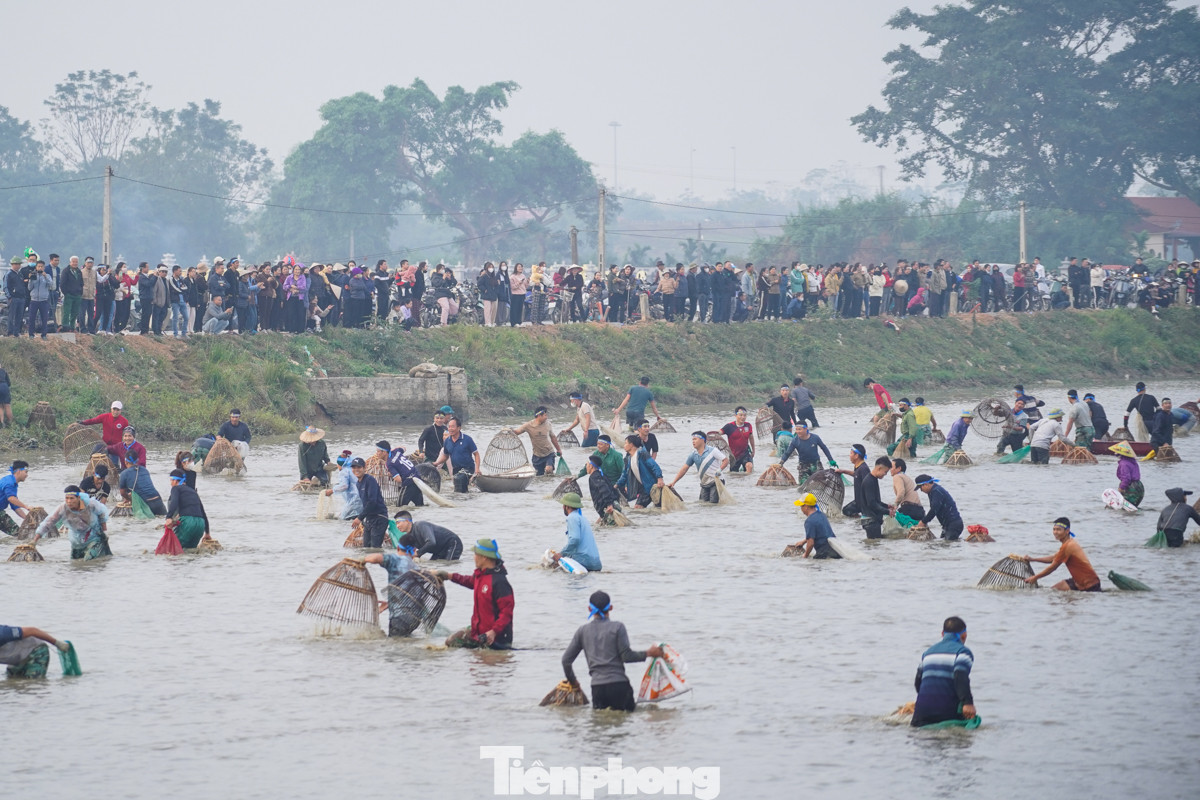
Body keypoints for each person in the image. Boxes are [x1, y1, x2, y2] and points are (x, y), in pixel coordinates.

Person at [561, 591, 664, 712]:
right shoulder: (618, 627)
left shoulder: (582, 631)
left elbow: (566, 661)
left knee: (601, 726)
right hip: (619, 686)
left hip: (597, 689)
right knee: (624, 723)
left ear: (589, 609)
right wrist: (649, 653)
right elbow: (627, 656)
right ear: (610, 607)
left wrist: (573, 681)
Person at [437, 538, 514, 649]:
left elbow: (506, 613)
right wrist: (449, 576)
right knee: (451, 642)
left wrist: (493, 632)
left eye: (475, 554)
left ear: (484, 557)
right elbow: (470, 581)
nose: (474, 557)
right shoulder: (481, 575)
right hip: (477, 633)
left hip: (495, 638)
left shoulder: (500, 582)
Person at [911, 616, 976, 728]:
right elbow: (960, 676)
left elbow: (918, 681)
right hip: (946, 712)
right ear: (964, 635)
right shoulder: (962, 652)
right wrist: (967, 703)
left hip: (921, 713)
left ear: (942, 634)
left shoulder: (928, 652)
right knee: (962, 741)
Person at [1024, 517, 1100, 591]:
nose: (1055, 532)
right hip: (1077, 581)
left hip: (1090, 585)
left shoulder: (1068, 546)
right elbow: (1054, 558)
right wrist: (1032, 559)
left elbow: (1052, 567)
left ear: (1067, 531)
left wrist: (1035, 577)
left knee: (1052, 594)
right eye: (1054, 529)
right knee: (1053, 591)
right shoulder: (1069, 542)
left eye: (1058, 530)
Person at [40, 485, 112, 560]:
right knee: (75, 562)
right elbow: (49, 521)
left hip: (94, 537)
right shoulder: (63, 507)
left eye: (71, 498)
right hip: (77, 542)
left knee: (88, 560)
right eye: (67, 498)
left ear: (78, 498)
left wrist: (105, 531)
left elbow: (102, 514)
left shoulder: (91, 504)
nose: (69, 501)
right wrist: (34, 540)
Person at [362, 543, 419, 636]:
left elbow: (376, 558)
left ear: (397, 548)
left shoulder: (395, 559)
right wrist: (389, 603)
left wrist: (363, 560)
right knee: (406, 642)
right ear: (414, 551)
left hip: (399, 617)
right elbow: (410, 593)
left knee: (395, 645)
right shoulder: (416, 568)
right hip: (415, 618)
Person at [668, 431, 728, 504]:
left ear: (702, 440)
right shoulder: (693, 455)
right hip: (705, 482)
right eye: (692, 440)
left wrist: (719, 470)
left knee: (713, 503)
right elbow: (684, 469)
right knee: (702, 503)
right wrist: (674, 482)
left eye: (695, 439)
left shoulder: (713, 451)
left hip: (717, 481)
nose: (693, 441)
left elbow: (725, 460)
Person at [548, 492, 602, 571]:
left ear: (567, 507)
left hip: (584, 561)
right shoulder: (583, 518)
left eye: (563, 505)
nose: (563, 507)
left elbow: (575, 539)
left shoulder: (572, 517)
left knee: (552, 567)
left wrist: (561, 554)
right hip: (596, 563)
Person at [0, 624, 74, 679]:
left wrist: (57, 643)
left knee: (34, 685)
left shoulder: (3, 633)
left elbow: (32, 631)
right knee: (13, 682)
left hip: (36, 651)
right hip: (16, 659)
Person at [616, 434, 664, 509]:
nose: (624, 445)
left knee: (639, 508)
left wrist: (660, 478)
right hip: (643, 488)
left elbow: (654, 466)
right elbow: (624, 475)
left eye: (626, 443)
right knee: (641, 508)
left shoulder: (642, 454)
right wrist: (616, 485)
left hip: (652, 486)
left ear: (631, 445)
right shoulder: (628, 459)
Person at [164, 469, 210, 548]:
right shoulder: (193, 492)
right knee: (190, 551)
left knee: (174, 548)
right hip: (200, 524)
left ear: (176, 481)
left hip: (188, 522)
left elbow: (174, 502)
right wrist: (207, 532)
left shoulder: (176, 488)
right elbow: (203, 512)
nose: (171, 483)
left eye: (171, 480)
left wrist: (169, 517)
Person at [433, 416, 480, 492]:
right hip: (456, 469)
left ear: (459, 428)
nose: (450, 429)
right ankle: (463, 500)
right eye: (449, 427)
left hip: (468, 468)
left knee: (460, 479)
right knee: (458, 488)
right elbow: (445, 456)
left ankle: (463, 500)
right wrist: (436, 463)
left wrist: (477, 469)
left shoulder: (467, 439)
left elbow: (476, 454)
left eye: (453, 427)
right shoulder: (447, 441)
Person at [512, 406, 564, 476]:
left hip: (549, 453)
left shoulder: (548, 424)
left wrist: (558, 449)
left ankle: (550, 484)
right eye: (545, 415)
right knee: (539, 477)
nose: (546, 417)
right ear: (539, 416)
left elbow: (553, 437)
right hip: (537, 455)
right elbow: (517, 432)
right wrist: (509, 430)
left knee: (549, 470)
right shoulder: (528, 425)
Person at [351, 457, 389, 548]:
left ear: (364, 468)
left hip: (379, 518)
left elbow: (372, 502)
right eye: (354, 468)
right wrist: (363, 518)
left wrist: (359, 518)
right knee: (366, 548)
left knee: (375, 548)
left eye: (359, 467)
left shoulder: (370, 480)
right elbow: (364, 503)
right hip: (369, 519)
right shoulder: (358, 483)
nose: (356, 470)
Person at [394, 510, 463, 560]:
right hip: (438, 550)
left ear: (407, 521)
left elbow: (431, 542)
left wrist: (418, 553)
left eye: (398, 523)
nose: (397, 526)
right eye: (396, 524)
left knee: (449, 565)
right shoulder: (409, 537)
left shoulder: (420, 525)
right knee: (434, 566)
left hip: (452, 543)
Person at [914, 474, 964, 540]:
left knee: (948, 545)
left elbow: (934, 510)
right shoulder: (932, 491)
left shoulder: (936, 491)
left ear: (926, 484)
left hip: (953, 524)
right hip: (946, 525)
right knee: (943, 545)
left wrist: (923, 521)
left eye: (920, 488)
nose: (921, 490)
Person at [792, 492, 840, 559]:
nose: (801, 509)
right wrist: (803, 542)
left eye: (801, 506)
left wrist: (805, 555)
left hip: (824, 554)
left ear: (806, 507)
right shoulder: (822, 515)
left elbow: (811, 543)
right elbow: (820, 533)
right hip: (836, 550)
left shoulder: (809, 521)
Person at [383, 442, 424, 507]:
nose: (377, 453)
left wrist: (392, 475)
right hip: (417, 479)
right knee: (420, 506)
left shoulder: (389, 463)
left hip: (408, 483)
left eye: (378, 451)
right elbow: (404, 448)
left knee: (399, 507)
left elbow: (398, 479)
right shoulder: (397, 451)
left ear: (384, 452)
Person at [585, 453, 623, 523]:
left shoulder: (594, 477)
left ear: (591, 466)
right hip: (610, 506)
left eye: (586, 465)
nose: (586, 467)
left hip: (608, 508)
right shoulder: (601, 475)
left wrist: (609, 504)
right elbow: (613, 491)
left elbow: (604, 489)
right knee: (599, 525)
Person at [836, 444, 870, 517]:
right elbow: (856, 474)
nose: (849, 455)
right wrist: (843, 471)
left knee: (847, 511)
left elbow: (868, 484)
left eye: (851, 453)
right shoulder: (858, 466)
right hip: (858, 501)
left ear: (856, 456)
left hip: (864, 502)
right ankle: (857, 523)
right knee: (846, 510)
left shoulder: (864, 468)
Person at [326, 452, 362, 520]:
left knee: (343, 519)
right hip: (361, 498)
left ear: (340, 464)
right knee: (357, 518)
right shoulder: (354, 469)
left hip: (354, 500)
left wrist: (332, 490)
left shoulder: (344, 471)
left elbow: (344, 486)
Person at [720, 406, 756, 473]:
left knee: (749, 466)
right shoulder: (729, 426)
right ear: (735, 415)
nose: (743, 417)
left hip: (745, 453)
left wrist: (753, 450)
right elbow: (720, 432)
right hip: (734, 455)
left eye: (745, 415)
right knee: (734, 474)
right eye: (741, 415)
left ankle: (748, 482)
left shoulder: (748, 425)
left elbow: (751, 437)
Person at [0, 460, 31, 536]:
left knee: (18, 534)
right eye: (26, 472)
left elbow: (15, 507)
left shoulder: (13, 484)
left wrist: (27, 519)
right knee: (18, 534)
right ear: (19, 471)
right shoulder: (9, 483)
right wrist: (26, 506)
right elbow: (11, 498)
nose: (27, 475)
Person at [1108, 442, 1144, 508]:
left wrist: (1121, 488)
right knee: (1132, 507)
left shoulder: (1124, 464)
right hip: (1139, 486)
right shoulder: (1133, 461)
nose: (1114, 453)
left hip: (1131, 487)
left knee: (1124, 506)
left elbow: (1126, 478)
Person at [890, 459, 924, 523]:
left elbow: (901, 492)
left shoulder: (897, 476)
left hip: (909, 509)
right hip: (919, 510)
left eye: (891, 467)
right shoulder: (906, 477)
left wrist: (895, 506)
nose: (890, 469)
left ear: (899, 468)